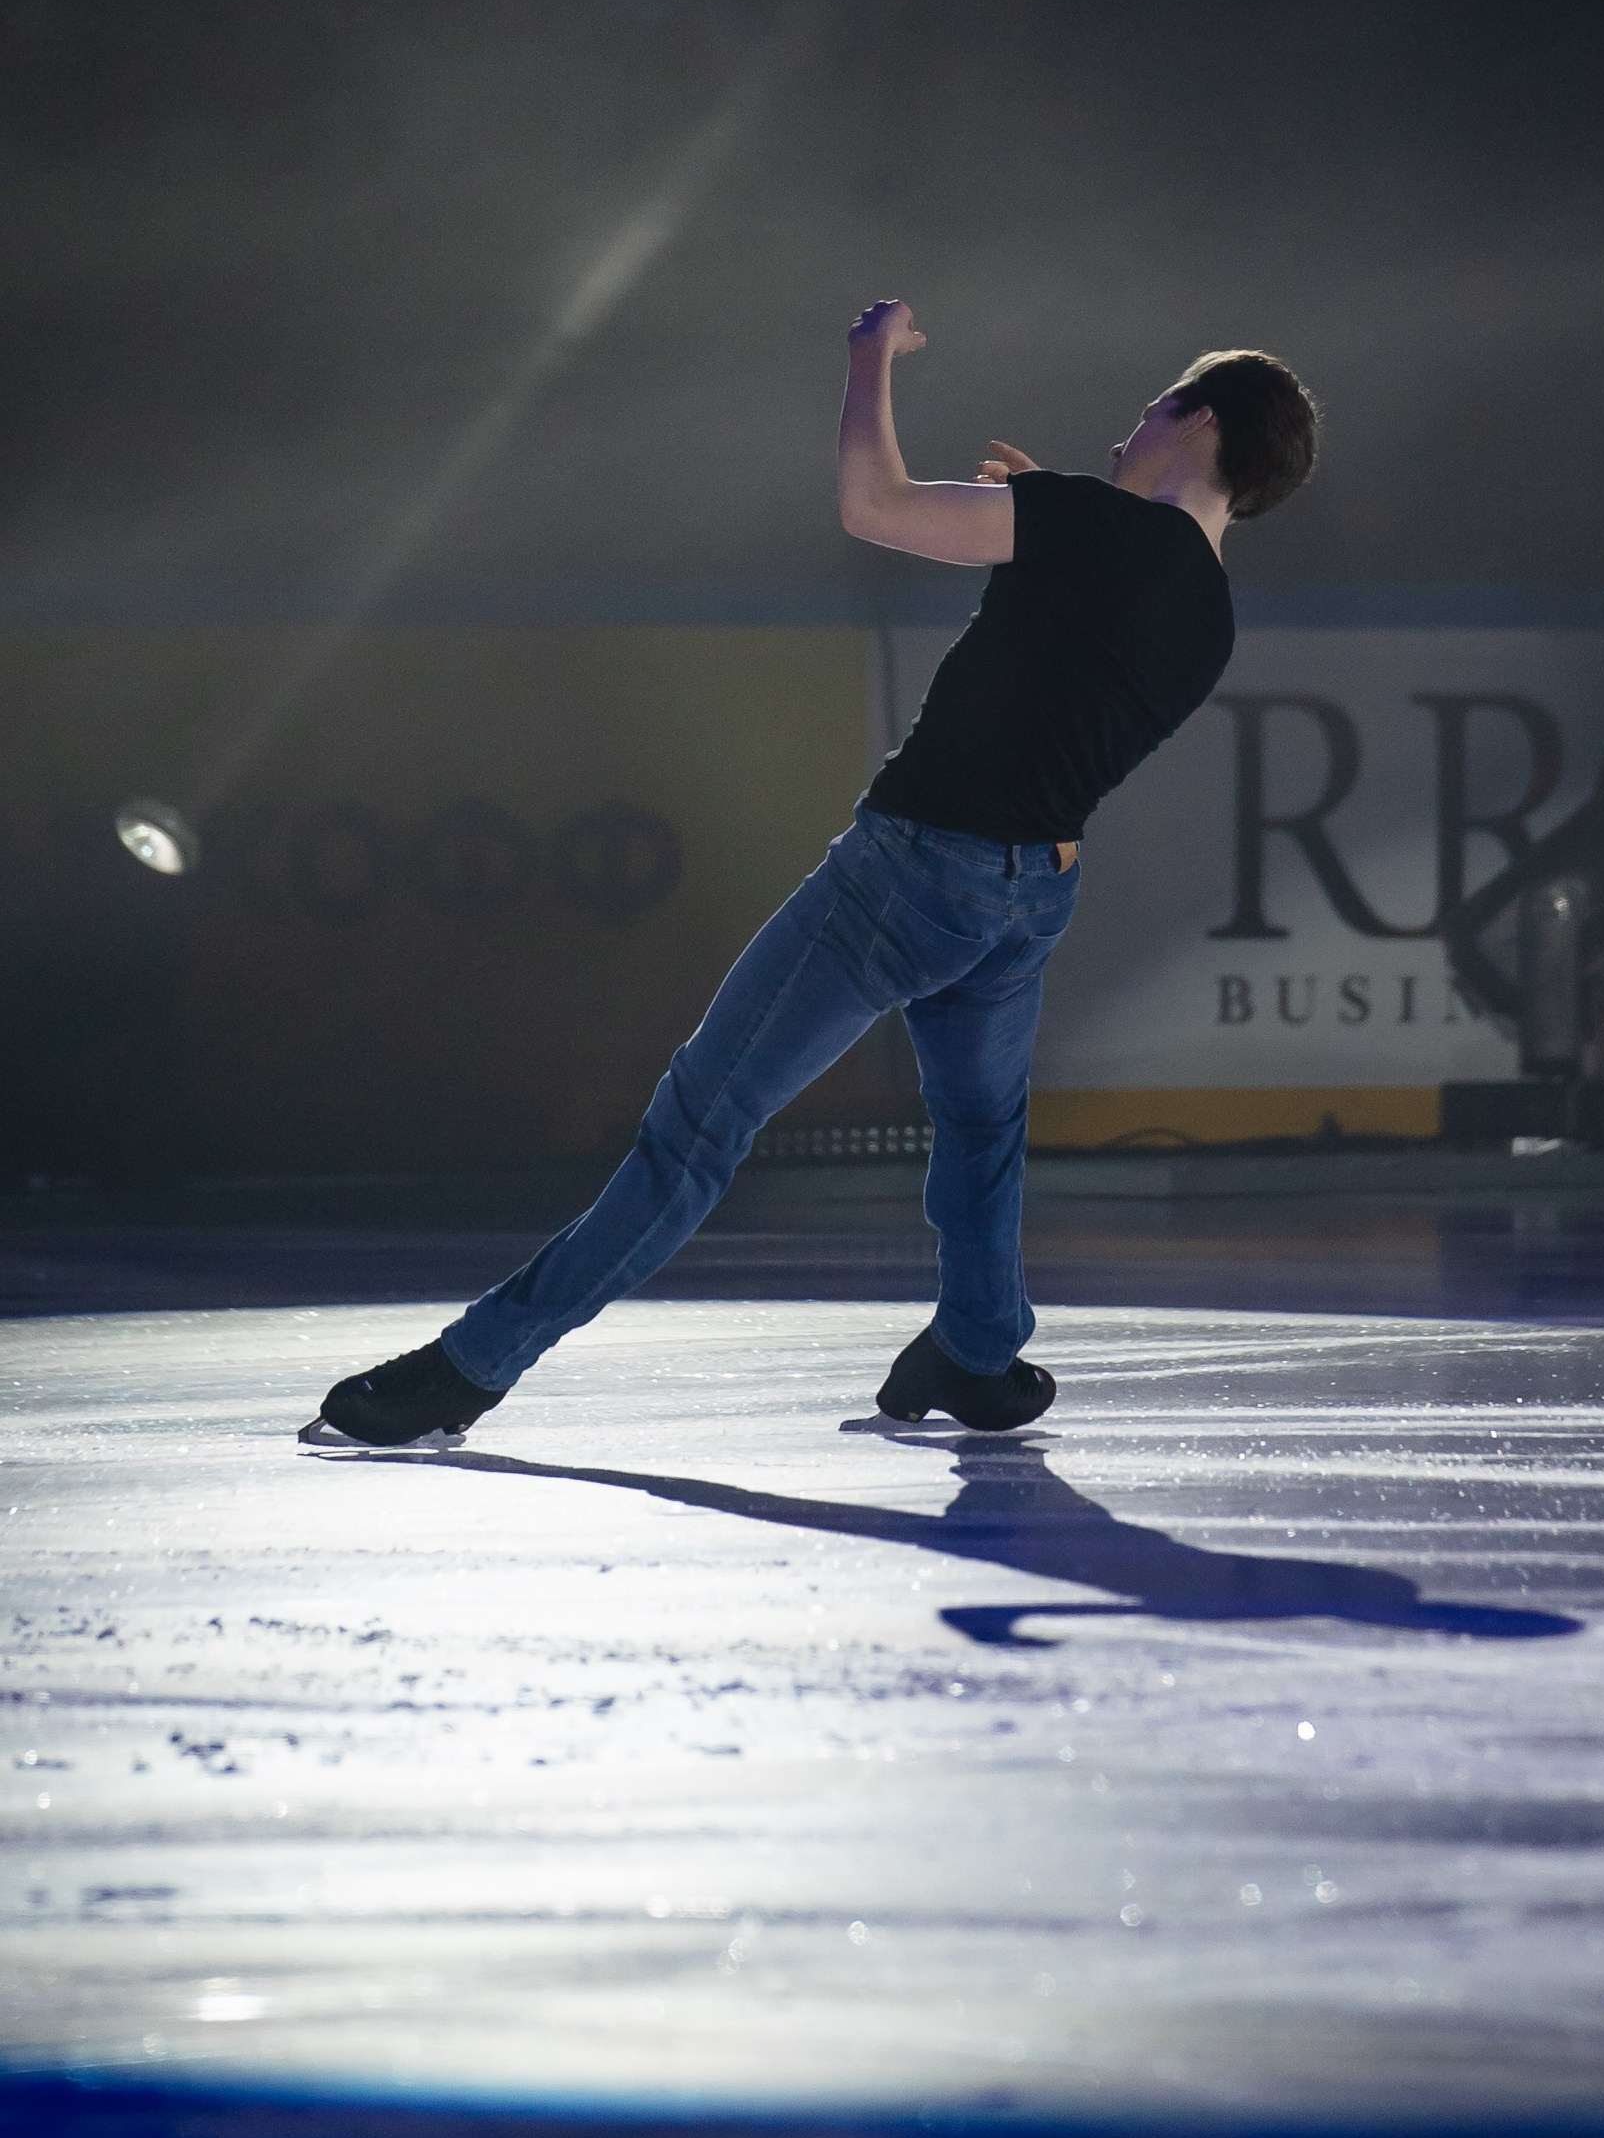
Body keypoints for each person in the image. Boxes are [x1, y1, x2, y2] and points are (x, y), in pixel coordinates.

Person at [305, 303, 1318, 1450]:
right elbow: (1074, 647)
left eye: (1151, 409)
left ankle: (468, 1367)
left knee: (696, 1128)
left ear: (1198, 421)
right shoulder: (1202, 613)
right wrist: (1051, 519)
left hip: (907, 879)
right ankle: (978, 1351)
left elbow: (872, 506)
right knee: (980, 1129)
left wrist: (866, 361)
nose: (1129, 428)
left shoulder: (1088, 526)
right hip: (1026, 902)